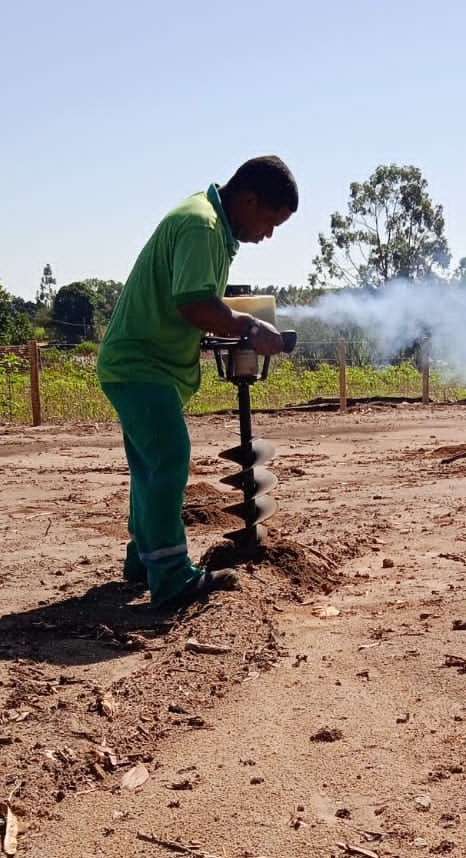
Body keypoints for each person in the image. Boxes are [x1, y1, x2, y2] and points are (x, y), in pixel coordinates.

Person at [97, 155, 298, 608]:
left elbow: (192, 303)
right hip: (141, 365)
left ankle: (142, 561)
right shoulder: (202, 226)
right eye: (270, 222)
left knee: (150, 470)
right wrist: (248, 328)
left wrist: (233, 321)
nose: (267, 235)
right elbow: (195, 306)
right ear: (248, 199)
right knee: (168, 460)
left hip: (140, 365)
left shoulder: (205, 222)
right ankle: (170, 579)